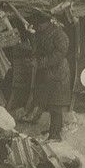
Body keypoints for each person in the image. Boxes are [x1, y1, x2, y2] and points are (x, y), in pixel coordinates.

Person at [25, 12, 71, 140]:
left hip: (58, 72)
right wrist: (30, 34)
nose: (38, 27)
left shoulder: (59, 34)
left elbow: (60, 53)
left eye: (40, 25)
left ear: (47, 23)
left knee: (56, 104)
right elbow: (38, 48)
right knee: (50, 103)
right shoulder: (42, 33)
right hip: (48, 73)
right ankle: (54, 129)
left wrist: (40, 62)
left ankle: (55, 134)